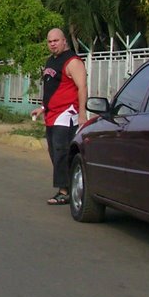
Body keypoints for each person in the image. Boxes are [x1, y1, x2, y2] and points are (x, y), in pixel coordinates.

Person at [31, 28, 87, 205]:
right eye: (50, 41)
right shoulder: (50, 61)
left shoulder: (73, 61)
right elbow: (52, 88)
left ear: (64, 41)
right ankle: (69, 187)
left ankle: (64, 191)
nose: (53, 44)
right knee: (54, 152)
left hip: (67, 113)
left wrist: (83, 113)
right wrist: (42, 107)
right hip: (51, 114)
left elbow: (82, 87)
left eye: (56, 40)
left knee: (61, 151)